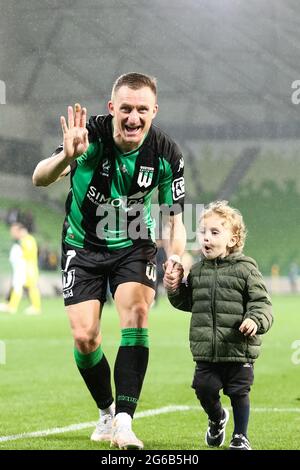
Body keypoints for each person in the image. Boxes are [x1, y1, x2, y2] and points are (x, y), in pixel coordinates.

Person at [32, 73, 186, 449]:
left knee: (137, 313)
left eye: (142, 110)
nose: (134, 117)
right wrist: (67, 157)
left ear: (154, 112)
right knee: (86, 337)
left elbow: (174, 218)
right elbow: (40, 178)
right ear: (112, 108)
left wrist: (177, 255)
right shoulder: (91, 136)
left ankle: (124, 421)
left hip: (134, 244)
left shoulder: (166, 154)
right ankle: (105, 411)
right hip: (81, 246)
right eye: (127, 109)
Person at [164, 201, 273, 450]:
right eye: (203, 232)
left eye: (215, 233)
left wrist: (254, 320)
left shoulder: (246, 269)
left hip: (238, 348)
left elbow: (262, 304)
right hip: (206, 350)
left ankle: (240, 436)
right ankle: (217, 418)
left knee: (239, 392)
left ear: (233, 239)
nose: (206, 238)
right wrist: (174, 288)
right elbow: (187, 302)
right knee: (204, 388)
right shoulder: (198, 270)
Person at [0, 222, 41, 314]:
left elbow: (28, 254)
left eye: (13, 231)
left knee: (30, 287)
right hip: (24, 267)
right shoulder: (24, 240)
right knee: (18, 286)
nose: (12, 233)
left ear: (19, 231)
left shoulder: (28, 240)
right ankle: (12, 305)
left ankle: (35, 307)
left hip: (28, 268)